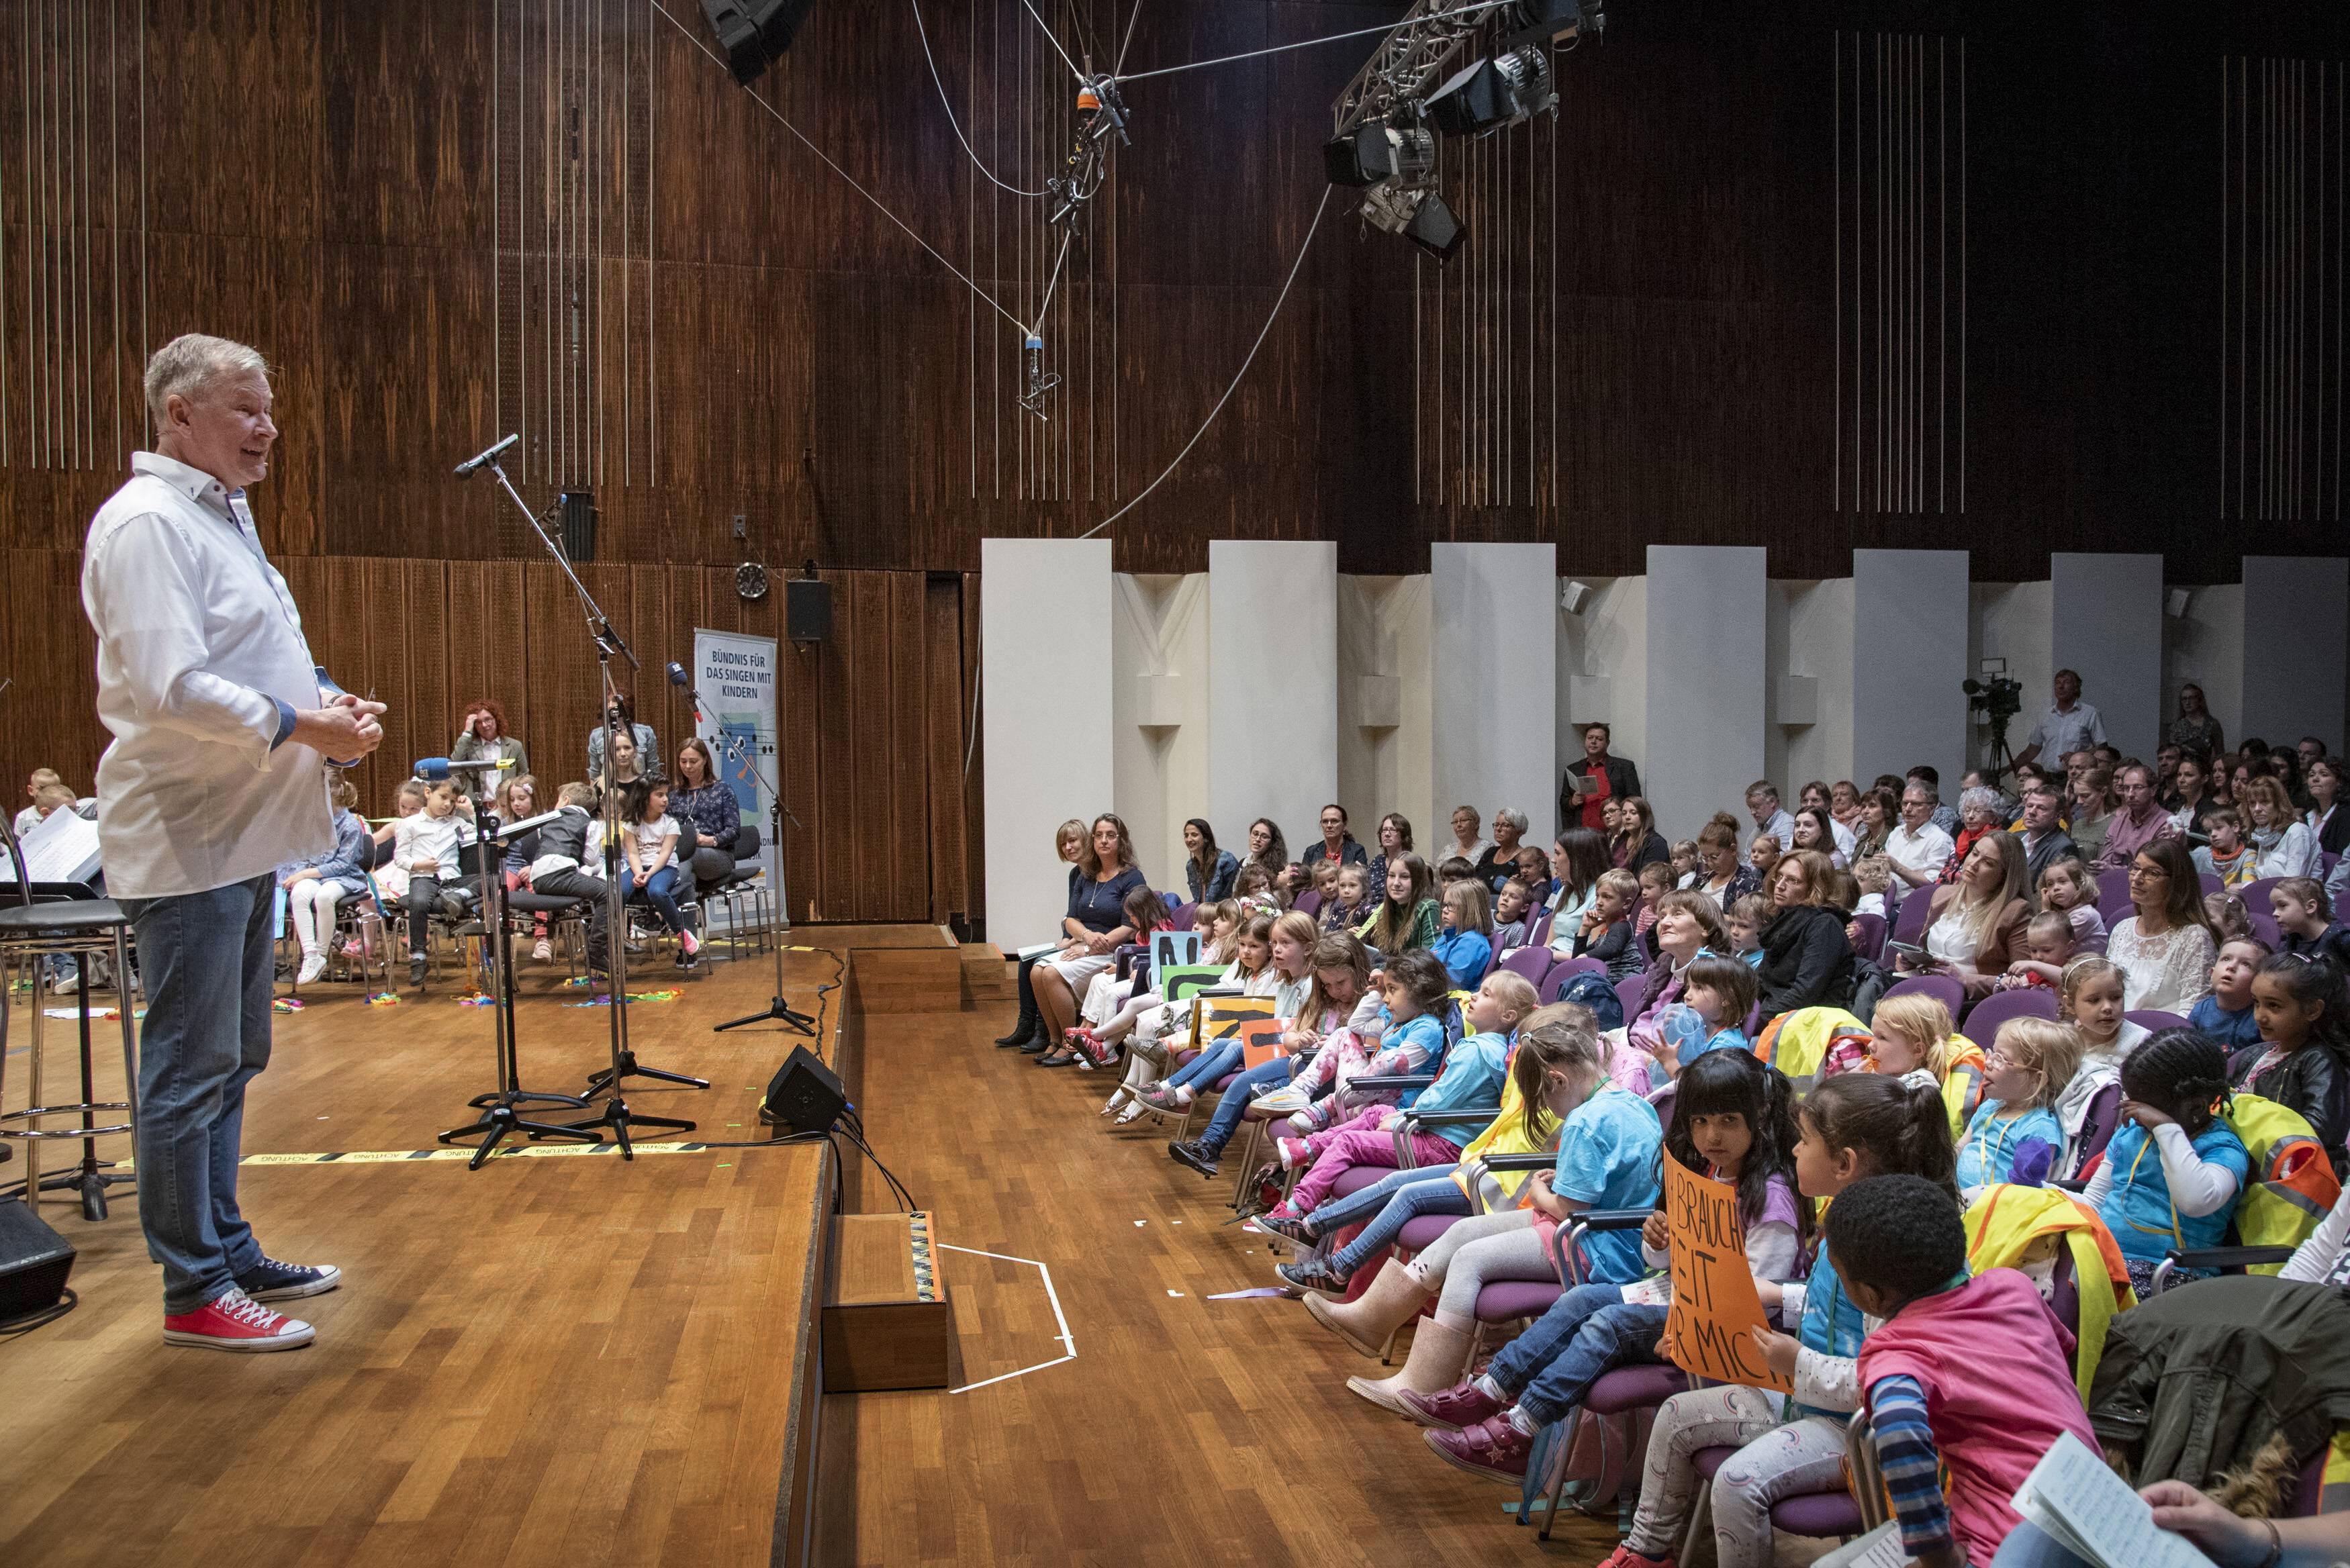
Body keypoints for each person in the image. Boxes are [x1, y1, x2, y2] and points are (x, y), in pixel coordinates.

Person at [83, 332, 387, 1351]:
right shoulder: (146, 524)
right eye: (245, 409)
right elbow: (170, 686)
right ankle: (194, 1289)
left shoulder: (218, 515)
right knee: (188, 1064)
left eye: (269, 410)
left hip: (244, 834)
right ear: (177, 414)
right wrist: (307, 726)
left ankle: (227, 1243)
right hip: (189, 835)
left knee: (237, 1055)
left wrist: (319, 700)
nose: (267, 429)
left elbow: (244, 655)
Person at [1598, 1073, 1959, 1568]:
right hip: (1801, 1398)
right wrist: (1783, 1298)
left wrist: (1798, 1362)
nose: (1792, 1154)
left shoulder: (1890, 1251)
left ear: (1845, 1164)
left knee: (1735, 1484)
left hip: (1849, 1430)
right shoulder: (1853, 1221)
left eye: (1804, 1142)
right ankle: (1645, 1550)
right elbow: (1835, 1306)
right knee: (1677, 1416)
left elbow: (1882, 1381)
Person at [1410, 1052, 1804, 1479]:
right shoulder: (1709, 1172)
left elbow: (1757, 1301)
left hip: (1726, 1329)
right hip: (1681, 1294)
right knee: (1580, 1300)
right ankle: (1490, 1390)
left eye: (1728, 1120)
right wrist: (1658, 1242)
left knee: (1611, 1324)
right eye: (1701, 1122)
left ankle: (1522, 1430)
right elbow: (1671, 1262)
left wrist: (1685, 1304)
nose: (1712, 1135)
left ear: (1760, 1116)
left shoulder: (1771, 1200)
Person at [1288, 1003, 1663, 1407]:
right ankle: (1369, 1319)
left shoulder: (1585, 1121)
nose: (1548, 1111)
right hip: (1599, 1231)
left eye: (1542, 1100)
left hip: (1592, 1247)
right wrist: (1554, 1191)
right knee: (1461, 1232)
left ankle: (1422, 1383)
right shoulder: (1631, 1101)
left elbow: (1569, 1208)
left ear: (1557, 1079)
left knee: (1469, 1260)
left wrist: (1539, 1194)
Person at [1812, 1175, 2098, 1568]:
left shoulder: (1895, 1351)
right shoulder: (2015, 1288)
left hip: (2009, 1546)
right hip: (2099, 1519)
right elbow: (2057, 1358)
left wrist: (1937, 1558)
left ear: (1870, 1295)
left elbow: (1899, 1430)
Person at [2085, 1028, 2249, 1296]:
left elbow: (2196, 1201)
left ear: (2196, 1108)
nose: (2135, 1116)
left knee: (2080, 1296)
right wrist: (2040, 1195)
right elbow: (2093, 1202)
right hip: (2104, 1256)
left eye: (2145, 1109)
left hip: (2173, 1275)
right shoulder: (2131, 1134)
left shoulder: (2222, 1148)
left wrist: (2166, 1129)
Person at [2230, 950, 2350, 1169]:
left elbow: (2317, 1131)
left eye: (2274, 1005)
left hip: (2293, 1179)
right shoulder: (2254, 1055)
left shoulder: (2318, 1060)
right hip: (2247, 1161)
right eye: (2256, 1003)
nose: (2260, 1016)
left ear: (2313, 1010)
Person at [1957, 1018, 2080, 1197]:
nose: (1988, 1063)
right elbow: (1960, 1147)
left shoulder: (2038, 1128)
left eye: (2001, 1059)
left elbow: (2031, 1190)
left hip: (1994, 1207)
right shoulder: (1991, 1107)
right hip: (1958, 1195)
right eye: (1991, 1054)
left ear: (2036, 1080)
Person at [996, 820, 1089, 1049]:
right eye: (1063, 843)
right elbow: (1072, 915)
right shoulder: (1074, 874)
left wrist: (1073, 941)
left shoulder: (1095, 874)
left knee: (1041, 963)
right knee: (1025, 961)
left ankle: (1042, 1030)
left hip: (1088, 942)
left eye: (1073, 841)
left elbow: (1092, 920)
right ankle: (1025, 1024)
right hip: (1074, 938)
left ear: (1086, 840)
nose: (1068, 847)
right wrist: (1066, 940)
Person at [1908, 830, 2032, 1000]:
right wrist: (1909, 963)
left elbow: (2022, 980)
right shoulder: (1942, 895)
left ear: (2004, 876)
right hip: (1925, 988)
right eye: (1974, 854)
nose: (1973, 864)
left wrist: (1963, 979)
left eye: (1987, 862)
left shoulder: (2016, 911)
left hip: (1968, 1000)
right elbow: (1923, 951)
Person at [277, 777, 374, 985]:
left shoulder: (350, 825)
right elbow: (303, 854)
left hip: (343, 877)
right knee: (299, 894)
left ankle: (321, 953)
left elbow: (341, 865)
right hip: (314, 874)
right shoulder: (312, 822)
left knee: (324, 898)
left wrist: (304, 874)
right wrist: (298, 874)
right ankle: (310, 954)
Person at [2108, 838, 2220, 1012]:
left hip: (2163, 1035)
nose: (2137, 879)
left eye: (2152, 873)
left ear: (2176, 882)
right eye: (2136, 868)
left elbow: (2192, 1009)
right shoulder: (2122, 929)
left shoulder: (2194, 937)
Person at [524, 781, 615, 976]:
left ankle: (599, 949)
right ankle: (597, 951)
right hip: (561, 875)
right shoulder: (590, 824)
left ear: (565, 800)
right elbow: (591, 860)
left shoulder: (548, 819)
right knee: (609, 892)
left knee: (603, 887)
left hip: (538, 878)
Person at [394, 779, 477, 986]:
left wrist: (471, 812)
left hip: (452, 878)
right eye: (443, 798)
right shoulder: (409, 824)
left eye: (453, 801)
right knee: (420, 903)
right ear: (428, 792)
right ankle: (419, 957)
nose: (447, 805)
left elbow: (483, 837)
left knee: (490, 878)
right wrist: (418, 865)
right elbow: (401, 857)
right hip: (424, 877)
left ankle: (459, 896)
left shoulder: (457, 823)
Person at [1756, 849, 1856, 1016]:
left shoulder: (1825, 926)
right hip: (1775, 1012)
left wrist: (1757, 1023)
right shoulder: (1785, 918)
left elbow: (1805, 994)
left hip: (1807, 1022)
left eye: (1793, 881)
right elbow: (1761, 980)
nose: (1780, 886)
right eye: (1779, 876)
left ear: (1815, 888)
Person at [665, 737, 740, 906]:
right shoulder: (674, 795)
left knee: (686, 858)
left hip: (718, 855)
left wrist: (710, 840)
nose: (688, 766)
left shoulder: (722, 790)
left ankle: (664, 913)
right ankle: (689, 927)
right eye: (683, 761)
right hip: (682, 857)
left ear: (705, 760)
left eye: (693, 761)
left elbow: (734, 830)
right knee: (686, 871)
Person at [2014, 668, 2108, 772]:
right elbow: (2031, 750)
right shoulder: (2046, 715)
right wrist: (2009, 767)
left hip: (2076, 775)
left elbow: (2102, 746)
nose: (2061, 686)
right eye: (2057, 683)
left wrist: (2078, 757)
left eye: (2066, 682)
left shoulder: (2090, 713)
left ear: (2076, 688)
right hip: (2048, 777)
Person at [2093, 764, 2180, 872]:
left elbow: (2157, 869)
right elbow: (2104, 863)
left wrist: (2114, 870)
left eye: (2138, 787)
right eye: (2126, 788)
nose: (2130, 794)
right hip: (2115, 885)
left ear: (2153, 790)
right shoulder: (2118, 822)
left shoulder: (2170, 824)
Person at [1561, 721, 1642, 836]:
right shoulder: (1573, 769)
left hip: (1616, 835)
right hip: (1582, 836)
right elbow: (1563, 802)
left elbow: (1636, 802)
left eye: (1599, 739)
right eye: (1590, 738)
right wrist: (1572, 801)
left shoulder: (1624, 767)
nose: (1593, 742)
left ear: (1607, 743)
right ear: (1585, 741)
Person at [1544, 828, 1615, 950]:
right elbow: (1547, 945)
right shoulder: (1564, 892)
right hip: (1552, 959)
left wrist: (1550, 956)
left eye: (1558, 853)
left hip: (1575, 965)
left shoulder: (1599, 898)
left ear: (1577, 859)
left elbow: (1593, 955)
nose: (1553, 860)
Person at [2239, 775, 2319, 879]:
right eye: (2252, 803)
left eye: (2265, 802)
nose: (2257, 809)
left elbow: (2293, 883)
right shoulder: (2264, 836)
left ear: (2279, 804)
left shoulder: (2298, 832)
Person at [1568, 868, 1642, 978]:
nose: (1599, 903)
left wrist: (1586, 956)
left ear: (1626, 903)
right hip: (1606, 983)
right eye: (1598, 896)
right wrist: (1585, 928)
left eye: (1607, 897)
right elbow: (1577, 962)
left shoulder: (1622, 926)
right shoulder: (1606, 931)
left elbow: (1612, 948)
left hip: (1621, 984)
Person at [1884, 783, 1957, 890]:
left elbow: (1933, 885)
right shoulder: (1896, 832)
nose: (1908, 809)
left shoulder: (1940, 840)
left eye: (1916, 804)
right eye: (1905, 803)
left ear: (1931, 809)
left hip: (1915, 904)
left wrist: (1897, 868)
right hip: (1885, 900)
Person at [1427, 877, 1496, 990]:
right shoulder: (1447, 936)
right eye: (1444, 905)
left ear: (1470, 909)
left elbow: (1451, 984)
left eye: (1452, 905)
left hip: (1448, 1001)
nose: (1444, 910)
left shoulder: (1472, 943)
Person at [1688, 812, 1762, 908]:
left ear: (1733, 850)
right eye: (1705, 858)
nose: (1710, 863)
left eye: (1714, 857)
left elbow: (1744, 920)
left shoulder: (1748, 883)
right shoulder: (1701, 880)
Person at [2271, 877, 2350, 967]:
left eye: (2283, 905)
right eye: (2274, 908)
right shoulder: (2293, 940)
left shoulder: (2341, 938)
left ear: (2310, 907)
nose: (2275, 913)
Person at [1937, 787, 2006, 885]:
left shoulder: (1996, 842)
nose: (1970, 816)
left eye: (1978, 811)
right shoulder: (1961, 836)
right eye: (1967, 810)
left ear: (1994, 816)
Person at [2014, 784, 2077, 891]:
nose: (2032, 812)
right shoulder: (2016, 837)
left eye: (2041, 808)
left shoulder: (2064, 847)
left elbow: (2049, 892)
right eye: (2029, 806)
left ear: (2058, 816)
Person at [451, 697, 529, 777]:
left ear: (497, 720)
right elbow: (454, 767)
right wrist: (467, 731)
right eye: (478, 722)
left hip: (505, 789)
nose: (484, 725)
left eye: (488, 720)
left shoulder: (515, 746)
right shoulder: (468, 747)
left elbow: (523, 776)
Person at [1178, 817, 1238, 904]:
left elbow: (1235, 896)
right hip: (1203, 914)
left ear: (1206, 838)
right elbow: (1198, 900)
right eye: (1186, 835)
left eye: (1194, 835)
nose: (1189, 839)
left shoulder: (1226, 860)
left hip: (1223, 913)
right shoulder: (1191, 866)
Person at [2066, 765, 2117, 862]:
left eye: (2085, 796)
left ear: (2103, 792)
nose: (2079, 802)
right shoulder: (2077, 824)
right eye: (2077, 796)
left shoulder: (2115, 825)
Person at [1609, 795, 1671, 873]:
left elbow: (1649, 879)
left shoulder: (1656, 843)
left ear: (1644, 816)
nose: (1627, 817)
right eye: (1624, 813)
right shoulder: (1622, 837)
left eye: (1633, 813)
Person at [1300, 802, 1366, 871]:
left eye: (1334, 821)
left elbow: (1363, 879)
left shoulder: (1357, 851)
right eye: (1325, 821)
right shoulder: (1311, 852)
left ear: (1345, 825)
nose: (1329, 826)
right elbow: (1304, 879)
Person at [2169, 681, 2225, 760]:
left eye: (2191, 698)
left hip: (2204, 768)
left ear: (2199, 700)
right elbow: (2172, 755)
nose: (2188, 702)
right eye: (2184, 699)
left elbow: (2220, 754)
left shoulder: (2212, 724)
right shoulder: (2175, 727)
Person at [1476, 807, 1529, 891]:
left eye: (1505, 825)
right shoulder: (1490, 852)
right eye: (1497, 825)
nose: (1498, 829)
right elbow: (1474, 879)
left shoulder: (1523, 858)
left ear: (1519, 832)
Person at [2165, 750, 2216, 834]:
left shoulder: (2211, 811)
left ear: (2204, 779)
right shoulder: (2172, 807)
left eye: (2189, 775)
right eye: (2179, 775)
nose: (2181, 780)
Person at [2307, 753, 2347, 856]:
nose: (2315, 779)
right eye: (2311, 775)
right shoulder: (2305, 816)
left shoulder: (2346, 816)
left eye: (2324, 774)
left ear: (2339, 782)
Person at [1364, 812, 1412, 891]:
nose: (1387, 834)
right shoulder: (1378, 861)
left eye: (1393, 830)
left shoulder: (1411, 863)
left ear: (1404, 835)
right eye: (1384, 830)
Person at [1744, 780, 1795, 852]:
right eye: (1750, 808)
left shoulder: (1787, 825)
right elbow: (1746, 860)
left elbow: (1782, 861)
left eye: (1756, 806)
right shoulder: (1758, 829)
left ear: (1772, 802)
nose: (1752, 812)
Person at [1240, 817, 1287, 885]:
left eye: (1264, 837)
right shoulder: (1243, 862)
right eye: (1255, 834)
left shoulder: (1276, 870)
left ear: (1272, 843)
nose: (1258, 839)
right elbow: (1229, 892)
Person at [1445, 804, 1495, 869]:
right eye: (1455, 822)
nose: (1459, 825)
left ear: (1476, 823)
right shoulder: (1449, 848)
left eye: (1463, 820)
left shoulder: (1487, 848)